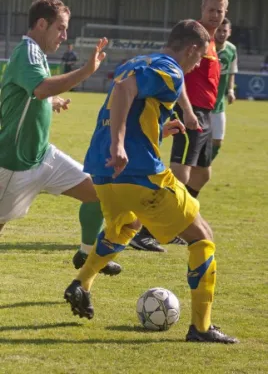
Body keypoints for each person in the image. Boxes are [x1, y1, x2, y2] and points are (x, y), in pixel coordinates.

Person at [64, 19, 238, 344]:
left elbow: (127, 105)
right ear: (191, 49)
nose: (196, 65)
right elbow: (123, 90)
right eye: (198, 59)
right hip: (137, 171)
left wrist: (158, 130)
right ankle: (201, 329)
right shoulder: (170, 70)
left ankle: (81, 283)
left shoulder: (136, 62)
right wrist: (119, 144)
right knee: (202, 237)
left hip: (104, 172)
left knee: (124, 226)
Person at [0, 0, 120, 276]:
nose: (65, 35)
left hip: (42, 156)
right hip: (14, 166)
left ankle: (86, 254)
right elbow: (40, 88)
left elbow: (29, 95)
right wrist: (86, 71)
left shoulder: (36, 54)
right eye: (61, 28)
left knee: (97, 193)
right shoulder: (27, 51)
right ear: (42, 24)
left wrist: (49, 103)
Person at [132, 0, 228, 249]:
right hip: (192, 110)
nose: (215, 15)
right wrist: (186, 111)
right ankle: (144, 231)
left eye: (220, 11)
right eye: (211, 9)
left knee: (201, 175)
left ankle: (177, 221)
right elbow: (179, 75)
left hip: (206, 113)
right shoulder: (195, 39)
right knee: (180, 173)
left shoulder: (212, 43)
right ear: (202, 8)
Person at [211, 18, 238, 160]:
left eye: (224, 31)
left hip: (219, 104)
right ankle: (197, 168)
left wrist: (231, 91)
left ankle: (203, 165)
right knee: (197, 141)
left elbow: (231, 72)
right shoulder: (207, 47)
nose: (221, 34)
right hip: (202, 103)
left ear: (229, 32)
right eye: (219, 30)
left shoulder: (231, 49)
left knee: (217, 141)